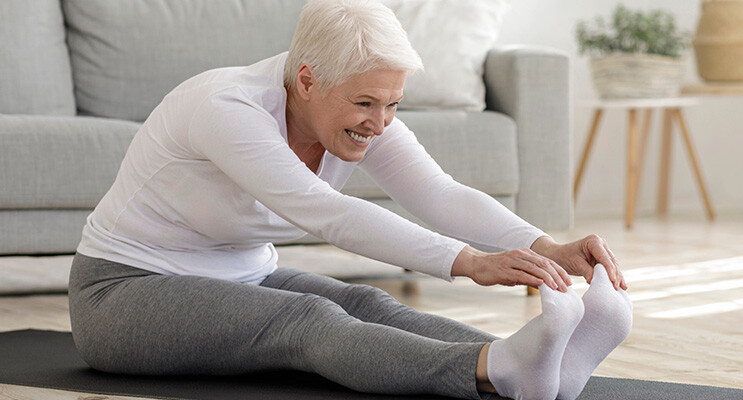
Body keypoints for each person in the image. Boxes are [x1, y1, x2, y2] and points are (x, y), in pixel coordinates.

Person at [67, 1, 631, 399]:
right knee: (306, 319)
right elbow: (329, 213)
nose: (380, 122)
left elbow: (438, 192)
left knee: (369, 306)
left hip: (242, 276)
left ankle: (538, 363)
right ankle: (495, 370)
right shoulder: (226, 108)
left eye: (393, 105)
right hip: (122, 294)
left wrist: (547, 247)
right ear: (307, 80)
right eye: (366, 103)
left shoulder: (363, 116)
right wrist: (471, 263)